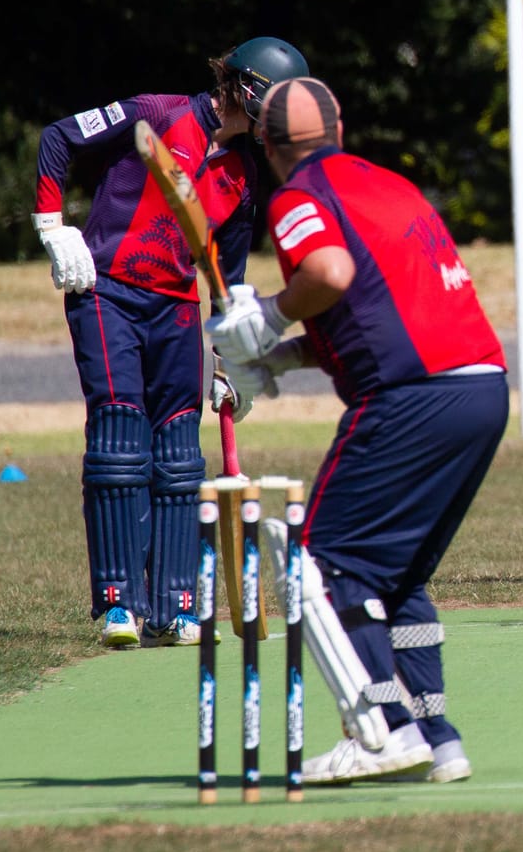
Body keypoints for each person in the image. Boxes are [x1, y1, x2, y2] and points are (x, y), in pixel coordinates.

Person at [208, 77, 506, 785]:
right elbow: (375, 303)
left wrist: (271, 313)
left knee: (326, 559)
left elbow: (330, 273)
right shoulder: (387, 183)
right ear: (339, 125)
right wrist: (280, 354)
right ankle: (439, 737)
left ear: (267, 143)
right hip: (481, 386)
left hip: (413, 397)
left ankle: (384, 730)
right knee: (395, 574)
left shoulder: (297, 194)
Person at [32, 36, 309, 649]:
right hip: (107, 291)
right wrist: (53, 229)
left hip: (178, 310)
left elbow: (226, 279)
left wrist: (230, 356)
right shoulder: (158, 114)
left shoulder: (242, 174)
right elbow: (58, 136)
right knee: (118, 437)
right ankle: (117, 605)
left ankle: (176, 606)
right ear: (247, 88)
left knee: (181, 455)